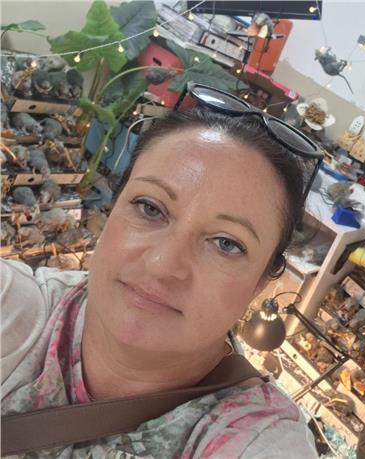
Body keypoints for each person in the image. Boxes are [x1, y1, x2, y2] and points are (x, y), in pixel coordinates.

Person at [1, 85, 322, 458]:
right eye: (150, 208)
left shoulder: (257, 439)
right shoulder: (17, 313)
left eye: (226, 243)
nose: (163, 265)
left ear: (260, 284)